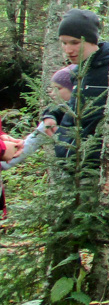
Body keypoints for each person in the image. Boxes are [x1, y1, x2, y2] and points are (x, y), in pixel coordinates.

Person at [0, 67, 74, 219]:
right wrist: (6, 151)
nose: (52, 93)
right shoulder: (52, 118)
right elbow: (29, 144)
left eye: (58, 89)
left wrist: (5, 142)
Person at [44, 9, 109, 171]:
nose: (68, 50)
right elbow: (71, 105)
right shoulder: (77, 71)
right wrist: (50, 115)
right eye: (64, 43)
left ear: (92, 40)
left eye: (75, 43)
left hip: (96, 169)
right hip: (72, 168)